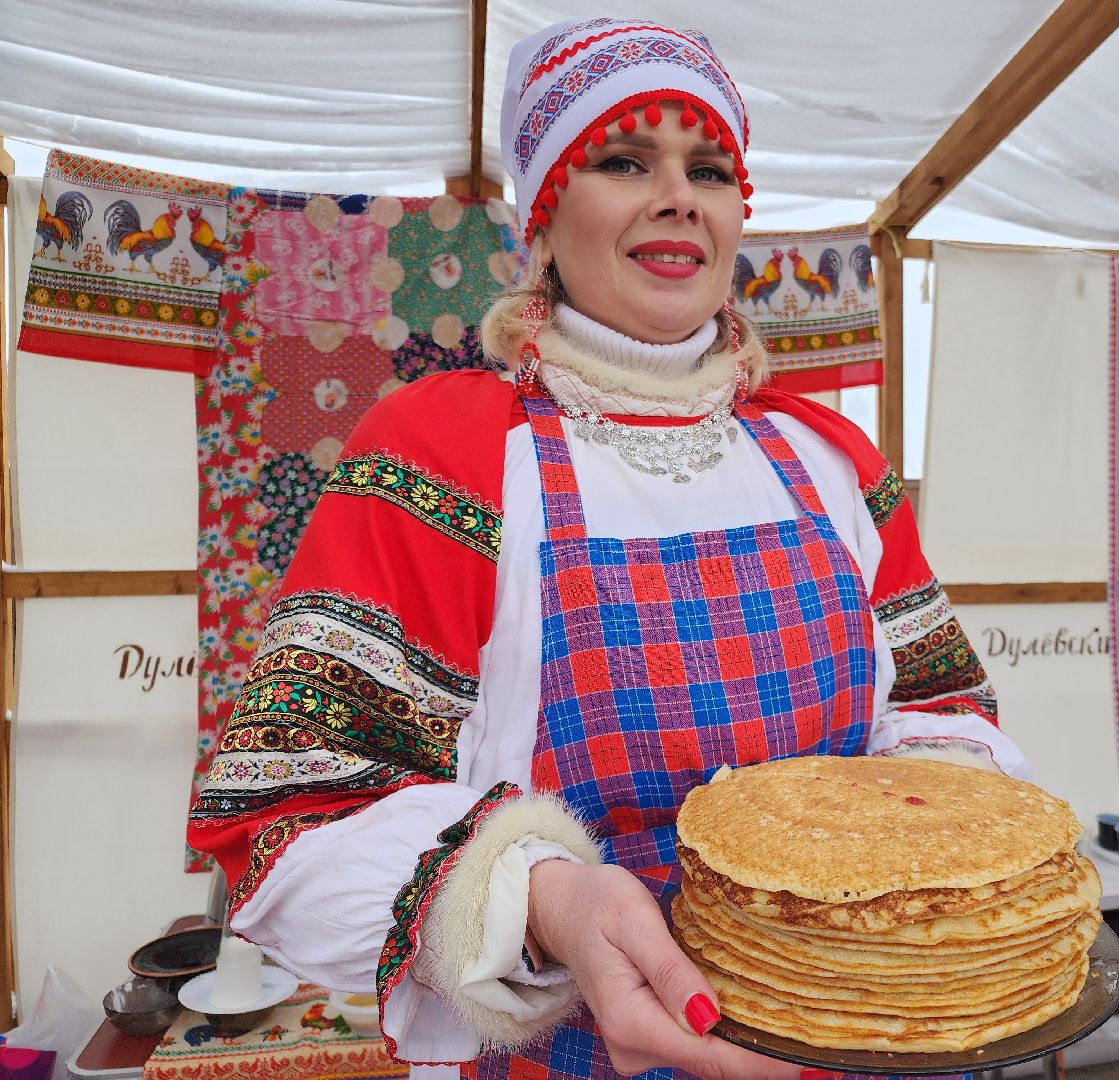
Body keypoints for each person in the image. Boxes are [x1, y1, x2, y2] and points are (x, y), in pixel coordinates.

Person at [188, 19, 1030, 1080]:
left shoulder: (830, 456)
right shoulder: (443, 455)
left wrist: (910, 863)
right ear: (541, 221)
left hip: (868, 1036)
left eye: (710, 168)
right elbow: (287, 821)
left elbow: (945, 715)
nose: (680, 195)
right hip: (576, 1055)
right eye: (626, 160)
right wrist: (546, 899)